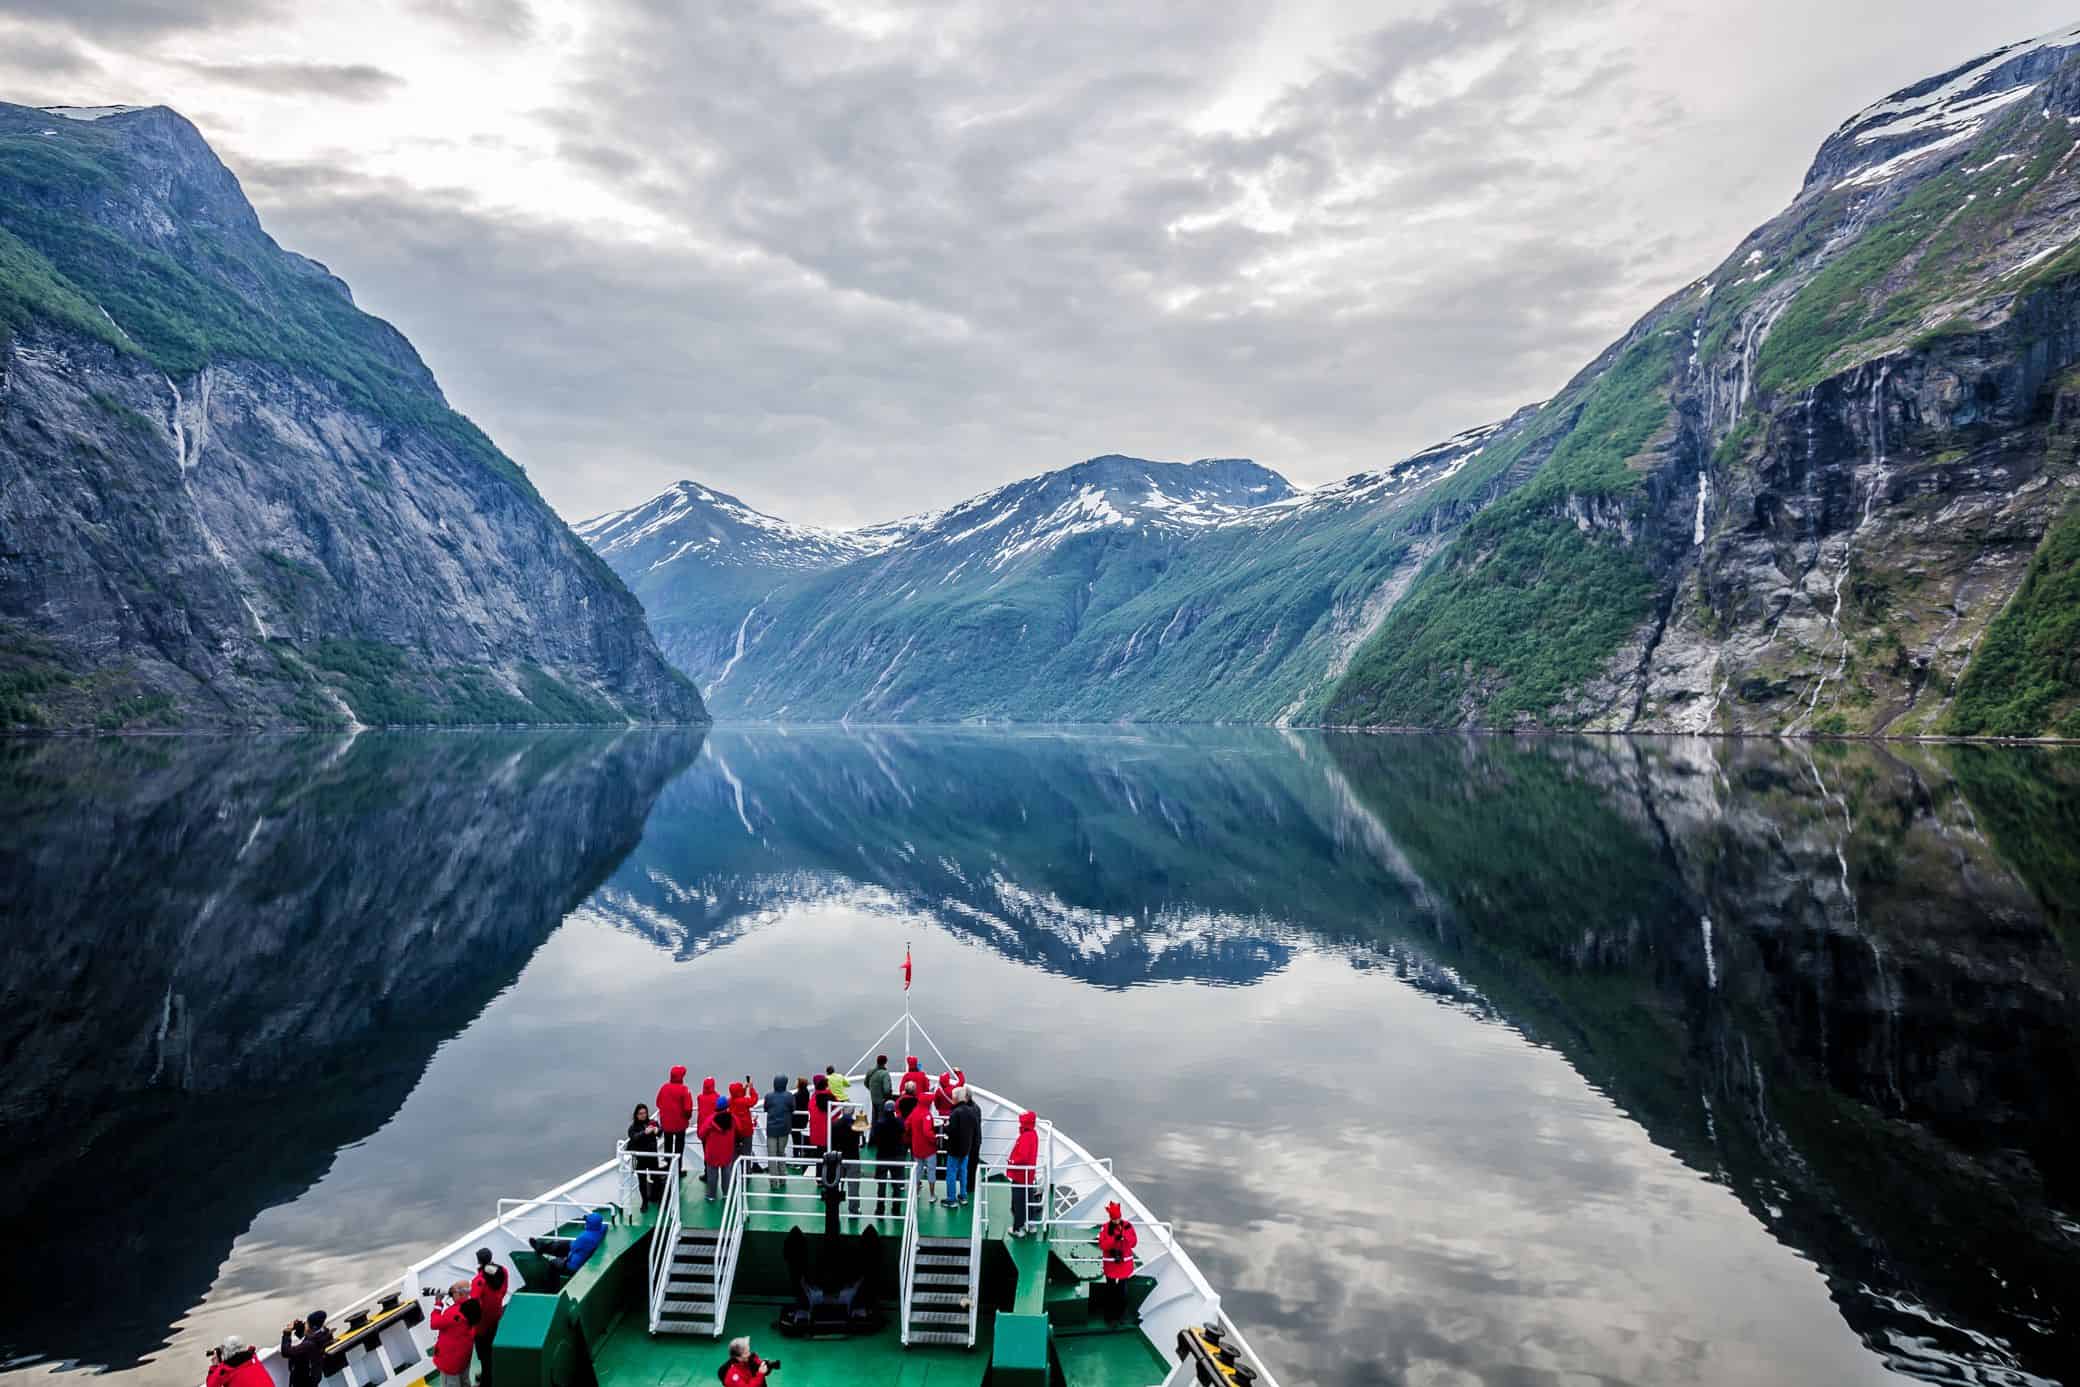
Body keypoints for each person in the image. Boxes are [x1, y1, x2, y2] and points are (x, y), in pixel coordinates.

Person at [470, 1249, 510, 1387]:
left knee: (484, 1355)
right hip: (497, 1316)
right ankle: (492, 1372)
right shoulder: (503, 1271)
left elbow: (475, 1304)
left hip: (482, 1325)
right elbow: (503, 1290)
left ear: (478, 1261)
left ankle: (487, 1381)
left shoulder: (478, 1280)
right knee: (493, 1347)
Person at [429, 1282, 481, 1387]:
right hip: (464, 1357)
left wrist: (438, 1303)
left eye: (453, 1292)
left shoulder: (453, 1313)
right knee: (465, 1381)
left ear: (461, 1294)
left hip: (451, 1361)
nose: (451, 1294)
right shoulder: (474, 1306)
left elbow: (434, 1323)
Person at [529, 1210, 608, 1278]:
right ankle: (541, 1247)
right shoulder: (600, 1229)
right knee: (561, 1244)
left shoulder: (585, 1237)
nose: (585, 1222)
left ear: (590, 1224)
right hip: (582, 1252)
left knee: (552, 1263)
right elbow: (605, 1226)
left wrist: (564, 1258)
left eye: (587, 1221)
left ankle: (551, 1286)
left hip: (573, 1266)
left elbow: (573, 1248)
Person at [1095, 1202, 1138, 1325]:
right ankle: (1110, 1317)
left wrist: (1124, 1235)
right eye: (1114, 1219)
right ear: (1110, 1218)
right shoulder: (1105, 1228)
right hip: (1111, 1264)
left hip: (1124, 1264)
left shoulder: (1128, 1226)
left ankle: (1121, 1315)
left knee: (1122, 1291)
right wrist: (1114, 1239)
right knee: (1111, 1291)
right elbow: (1102, 1245)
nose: (1117, 1221)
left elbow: (1134, 1242)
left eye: (1118, 1218)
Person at [943, 1086, 981, 1209]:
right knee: (963, 1172)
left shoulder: (955, 1113)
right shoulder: (972, 1110)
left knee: (951, 1173)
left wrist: (946, 1126)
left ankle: (951, 1199)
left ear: (955, 1098)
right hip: (966, 1149)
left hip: (954, 1149)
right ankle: (963, 1196)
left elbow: (951, 1131)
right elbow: (975, 1129)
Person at [870, 1098, 907, 1217]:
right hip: (896, 1156)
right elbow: (903, 1130)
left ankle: (880, 1209)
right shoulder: (899, 1122)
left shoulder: (879, 1123)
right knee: (896, 1184)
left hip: (882, 1156)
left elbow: (874, 1138)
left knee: (881, 1184)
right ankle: (896, 1209)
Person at [280, 1310, 334, 1387]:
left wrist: (287, 1333)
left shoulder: (309, 1345)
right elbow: (309, 1336)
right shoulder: (324, 1336)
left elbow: (286, 1352)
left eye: (306, 1323)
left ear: (311, 1327)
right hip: (312, 1379)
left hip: (303, 1382)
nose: (305, 1324)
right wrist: (299, 1327)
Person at [656, 1065, 694, 1176]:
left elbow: (658, 1103)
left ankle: (668, 1168)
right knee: (678, 1148)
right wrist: (687, 1118)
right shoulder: (684, 1089)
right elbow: (688, 1109)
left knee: (667, 1147)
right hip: (680, 1125)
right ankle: (677, 1170)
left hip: (666, 1124)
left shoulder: (664, 1088)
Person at [1007, 1110, 1040, 1235]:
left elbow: (1023, 1158)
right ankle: (1031, 1224)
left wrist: (1012, 1161)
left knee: (1019, 1201)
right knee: (1029, 1198)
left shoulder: (1026, 1136)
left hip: (1020, 1174)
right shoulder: (1033, 1134)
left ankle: (1018, 1228)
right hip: (1028, 1174)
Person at [627, 1103, 665, 1210]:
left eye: (645, 1113)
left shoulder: (652, 1122)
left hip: (652, 1156)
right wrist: (645, 1132)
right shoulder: (633, 1127)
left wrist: (658, 1131)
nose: (643, 1115)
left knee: (656, 1178)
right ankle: (644, 1202)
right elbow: (634, 1137)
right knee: (642, 1181)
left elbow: (660, 1132)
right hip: (641, 1158)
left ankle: (659, 1199)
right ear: (636, 1115)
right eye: (640, 1113)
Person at [905, 1090, 939, 1206]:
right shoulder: (927, 1115)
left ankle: (916, 1192)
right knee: (931, 1171)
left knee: (918, 1171)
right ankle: (932, 1195)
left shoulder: (914, 1112)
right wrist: (935, 1139)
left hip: (916, 1148)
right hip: (928, 1149)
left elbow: (907, 1125)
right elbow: (927, 1132)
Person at [701, 1097, 738, 1202]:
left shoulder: (710, 1119)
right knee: (726, 1173)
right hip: (727, 1152)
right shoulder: (732, 1119)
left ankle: (711, 1195)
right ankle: (726, 1194)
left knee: (712, 1174)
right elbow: (740, 1129)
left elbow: (701, 1134)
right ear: (727, 1107)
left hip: (712, 1153)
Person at [831, 1104, 866, 1215]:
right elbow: (863, 1131)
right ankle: (854, 1209)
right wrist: (861, 1114)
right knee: (853, 1186)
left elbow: (832, 1141)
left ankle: (833, 1206)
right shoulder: (856, 1125)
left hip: (839, 1157)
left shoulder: (835, 1124)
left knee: (835, 1183)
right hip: (853, 1158)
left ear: (842, 1110)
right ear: (852, 1112)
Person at [762, 1075, 795, 1191]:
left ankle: (773, 1182)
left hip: (771, 1130)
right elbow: (792, 1109)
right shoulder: (789, 1096)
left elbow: (765, 1108)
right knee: (781, 1153)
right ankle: (782, 1179)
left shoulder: (768, 1096)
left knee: (771, 1156)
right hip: (784, 1130)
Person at [805, 1074, 833, 1159]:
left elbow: (810, 1110)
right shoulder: (830, 1096)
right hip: (828, 1132)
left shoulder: (813, 1098)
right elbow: (837, 1110)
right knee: (828, 1155)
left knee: (819, 1156)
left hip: (816, 1133)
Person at [729, 1081, 756, 1166]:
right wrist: (751, 1089)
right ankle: (747, 1174)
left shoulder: (730, 1101)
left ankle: (734, 1176)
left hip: (735, 1132)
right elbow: (754, 1100)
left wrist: (744, 1088)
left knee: (734, 1155)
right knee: (747, 1154)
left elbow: (737, 1094)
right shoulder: (744, 1101)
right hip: (746, 1132)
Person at [790, 1076, 811, 1153]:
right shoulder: (806, 1093)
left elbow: (793, 1107)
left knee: (795, 1136)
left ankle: (796, 1153)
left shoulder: (796, 1095)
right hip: (804, 1118)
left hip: (796, 1119)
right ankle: (802, 1150)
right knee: (798, 1135)